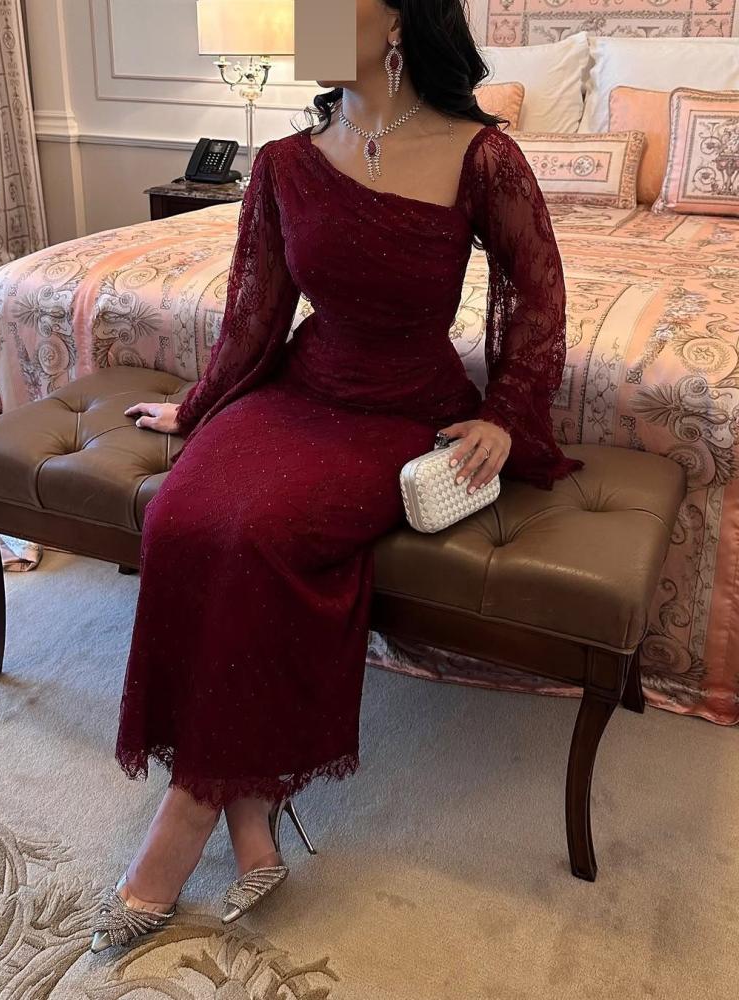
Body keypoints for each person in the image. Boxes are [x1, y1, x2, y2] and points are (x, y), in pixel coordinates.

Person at [90, 0, 584, 953]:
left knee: (261, 534)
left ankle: (187, 816)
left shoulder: (483, 156)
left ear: (395, 20)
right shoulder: (285, 161)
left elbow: (538, 294)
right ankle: (251, 814)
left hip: (403, 408)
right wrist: (199, 406)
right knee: (182, 516)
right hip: (301, 386)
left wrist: (505, 412)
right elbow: (256, 311)